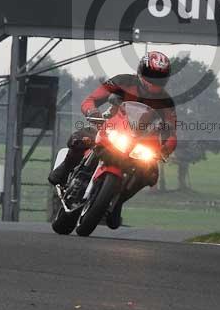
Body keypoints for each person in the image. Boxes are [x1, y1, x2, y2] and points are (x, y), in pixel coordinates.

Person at [48, 51, 177, 228]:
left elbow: (171, 131)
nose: (154, 80)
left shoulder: (165, 101)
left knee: (150, 171)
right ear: (140, 71)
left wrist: (165, 148)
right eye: (151, 75)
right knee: (81, 138)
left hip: (139, 142)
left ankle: (118, 201)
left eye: (159, 77)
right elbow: (91, 99)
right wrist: (93, 112)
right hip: (109, 126)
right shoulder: (122, 81)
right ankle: (65, 169)